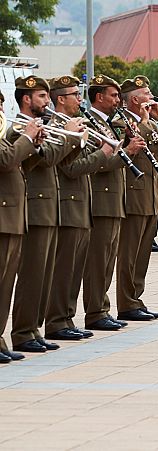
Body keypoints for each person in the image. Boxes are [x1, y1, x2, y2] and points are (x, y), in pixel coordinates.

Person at [9, 76, 85, 352]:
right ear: (26, 99)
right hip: (35, 208)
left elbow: (57, 159)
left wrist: (76, 141)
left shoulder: (41, 127)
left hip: (50, 208)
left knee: (43, 275)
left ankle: (33, 328)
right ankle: (22, 332)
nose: (47, 101)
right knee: (32, 274)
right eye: (42, 96)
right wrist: (68, 136)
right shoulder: (18, 129)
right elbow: (47, 159)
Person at [44, 75, 114, 341]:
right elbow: (71, 168)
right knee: (64, 269)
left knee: (74, 270)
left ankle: (67, 318)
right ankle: (56, 321)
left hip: (81, 205)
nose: (79, 99)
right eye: (74, 94)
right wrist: (102, 153)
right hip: (68, 205)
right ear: (61, 99)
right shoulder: (57, 127)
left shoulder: (76, 125)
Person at [114, 75, 158, 321]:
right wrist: (143, 121)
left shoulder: (152, 122)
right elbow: (130, 146)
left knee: (143, 254)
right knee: (129, 254)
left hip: (152, 195)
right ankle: (126, 303)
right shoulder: (121, 121)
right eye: (147, 94)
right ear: (134, 99)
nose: (152, 98)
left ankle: (136, 299)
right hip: (133, 195)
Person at [83, 74, 146, 328]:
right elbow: (99, 163)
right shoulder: (91, 123)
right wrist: (127, 152)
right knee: (98, 261)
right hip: (101, 201)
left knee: (108, 260)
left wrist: (128, 147)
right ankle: (95, 312)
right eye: (113, 95)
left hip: (114, 200)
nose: (118, 100)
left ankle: (102, 308)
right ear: (99, 97)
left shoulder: (107, 124)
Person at [0, 103, 44, 361]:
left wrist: (33, 145)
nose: (1, 109)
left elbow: (19, 165)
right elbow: (6, 161)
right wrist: (26, 137)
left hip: (12, 216)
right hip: (4, 215)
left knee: (6, 285)